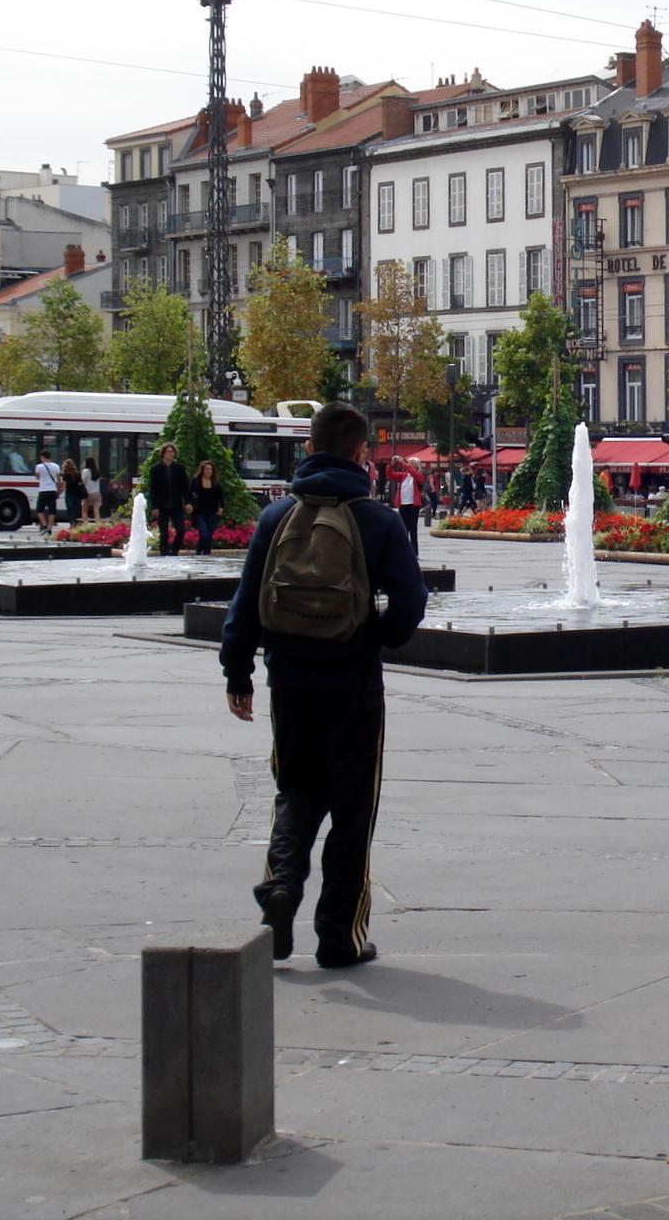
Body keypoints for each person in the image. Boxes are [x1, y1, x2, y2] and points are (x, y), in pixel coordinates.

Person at [221, 402, 427, 968]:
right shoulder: (378, 520)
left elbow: (244, 604)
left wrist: (238, 671)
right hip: (353, 680)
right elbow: (412, 600)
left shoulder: (277, 517)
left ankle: (282, 885)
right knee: (353, 808)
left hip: (289, 677)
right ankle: (339, 936)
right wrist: (376, 636)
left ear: (309, 447)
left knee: (295, 790)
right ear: (363, 453)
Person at [147, 442, 189, 556]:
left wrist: (188, 502)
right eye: (168, 452)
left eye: (172, 452)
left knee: (181, 530)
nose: (170, 454)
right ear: (163, 454)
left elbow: (184, 487)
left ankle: (174, 550)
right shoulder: (156, 469)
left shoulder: (179, 468)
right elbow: (153, 489)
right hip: (162, 505)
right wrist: (154, 507)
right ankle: (164, 552)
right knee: (164, 532)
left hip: (176, 504)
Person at [189, 458, 224, 555]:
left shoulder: (215, 483)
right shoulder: (196, 481)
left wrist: (220, 507)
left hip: (212, 512)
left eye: (211, 469)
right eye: (207, 469)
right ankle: (200, 553)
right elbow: (190, 495)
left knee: (209, 535)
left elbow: (220, 497)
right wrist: (191, 505)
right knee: (204, 534)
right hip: (199, 512)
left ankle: (205, 555)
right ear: (202, 470)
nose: (209, 471)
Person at [388, 458, 421, 552]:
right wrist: (392, 464)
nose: (408, 465)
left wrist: (404, 463)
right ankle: (404, 550)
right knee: (404, 529)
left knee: (413, 529)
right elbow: (390, 474)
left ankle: (415, 551)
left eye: (411, 464)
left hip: (413, 505)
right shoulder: (403, 476)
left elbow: (418, 476)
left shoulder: (418, 475)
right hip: (403, 504)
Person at [32, 446, 62, 533]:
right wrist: (58, 490)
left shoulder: (39, 466)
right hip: (53, 491)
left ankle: (44, 525)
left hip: (43, 491)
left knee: (39, 510)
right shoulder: (56, 466)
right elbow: (58, 480)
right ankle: (49, 528)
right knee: (52, 511)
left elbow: (37, 477)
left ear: (42, 457)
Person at [61, 458, 85, 527]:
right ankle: (76, 523)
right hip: (77, 494)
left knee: (70, 510)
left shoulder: (66, 475)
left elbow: (64, 486)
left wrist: (58, 493)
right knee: (76, 510)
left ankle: (72, 524)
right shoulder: (78, 474)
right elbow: (81, 483)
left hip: (69, 494)